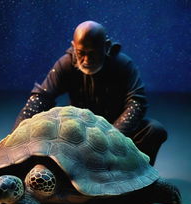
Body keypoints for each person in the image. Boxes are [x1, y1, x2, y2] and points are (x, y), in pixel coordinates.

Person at [13, 21, 167, 166]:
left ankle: (140, 179)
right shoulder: (66, 64)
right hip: (78, 136)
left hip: (117, 135)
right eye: (81, 53)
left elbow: (136, 103)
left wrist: (110, 138)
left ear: (106, 47)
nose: (86, 60)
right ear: (74, 47)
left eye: (92, 53)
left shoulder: (123, 65)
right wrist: (16, 139)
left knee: (154, 130)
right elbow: (41, 98)